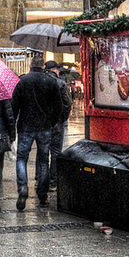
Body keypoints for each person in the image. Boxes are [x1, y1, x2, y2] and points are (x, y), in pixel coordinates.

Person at [11, 57, 63, 211]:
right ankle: (42, 195)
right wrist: (51, 122)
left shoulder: (22, 81)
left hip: (26, 127)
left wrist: (13, 126)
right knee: (43, 161)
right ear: (43, 66)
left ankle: (23, 188)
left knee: (21, 159)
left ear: (30, 65)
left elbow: (14, 107)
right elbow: (59, 107)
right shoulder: (51, 82)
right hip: (44, 127)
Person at [45, 61, 72, 190]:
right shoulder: (61, 83)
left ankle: (40, 180)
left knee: (42, 152)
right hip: (56, 123)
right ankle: (53, 182)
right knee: (55, 152)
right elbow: (68, 103)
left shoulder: (40, 81)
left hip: (42, 124)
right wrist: (62, 118)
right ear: (55, 69)